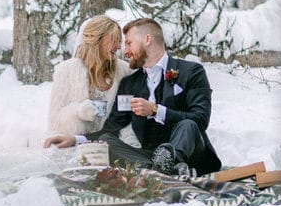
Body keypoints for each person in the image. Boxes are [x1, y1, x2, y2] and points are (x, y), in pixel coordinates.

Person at [43, 17, 222, 177]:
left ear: (147, 40)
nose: (124, 50)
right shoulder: (130, 83)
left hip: (192, 155)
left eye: (128, 43)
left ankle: (170, 164)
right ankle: (157, 172)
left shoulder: (191, 71)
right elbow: (113, 126)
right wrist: (76, 139)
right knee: (107, 141)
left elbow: (200, 119)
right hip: (149, 156)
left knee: (188, 124)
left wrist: (155, 110)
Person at [47, 15, 123, 136]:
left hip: (111, 147)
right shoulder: (66, 71)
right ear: (97, 39)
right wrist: (79, 111)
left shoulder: (122, 71)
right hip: (73, 148)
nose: (119, 47)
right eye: (115, 40)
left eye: (120, 41)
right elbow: (54, 123)